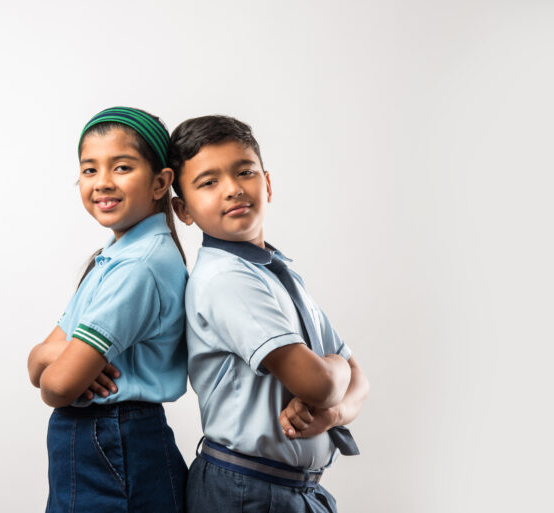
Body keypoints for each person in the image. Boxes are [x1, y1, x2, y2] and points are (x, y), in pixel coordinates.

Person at [168, 115, 370, 512]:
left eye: (245, 172)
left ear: (268, 183)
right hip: (248, 492)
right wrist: (334, 372)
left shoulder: (274, 272)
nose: (233, 189)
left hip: (289, 490)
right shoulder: (227, 280)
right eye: (208, 182)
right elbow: (323, 383)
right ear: (183, 209)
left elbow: (359, 382)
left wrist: (330, 416)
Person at [27, 107, 188, 513]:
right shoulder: (114, 258)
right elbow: (36, 364)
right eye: (89, 170)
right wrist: (62, 356)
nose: (102, 183)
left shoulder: (138, 267)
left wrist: (60, 361)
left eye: (121, 167)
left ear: (160, 183)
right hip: (100, 441)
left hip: (115, 441)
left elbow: (56, 387)